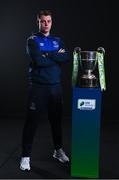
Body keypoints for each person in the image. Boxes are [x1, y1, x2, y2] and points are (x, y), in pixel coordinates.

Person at [20, 9, 70, 171]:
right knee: (32, 122)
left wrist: (47, 54)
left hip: (55, 87)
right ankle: (25, 157)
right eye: (43, 21)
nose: (46, 24)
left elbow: (66, 57)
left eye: (48, 21)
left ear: (51, 22)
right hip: (38, 87)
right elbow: (38, 61)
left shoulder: (58, 40)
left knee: (56, 121)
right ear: (38, 22)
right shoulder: (32, 40)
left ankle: (58, 151)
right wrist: (54, 56)